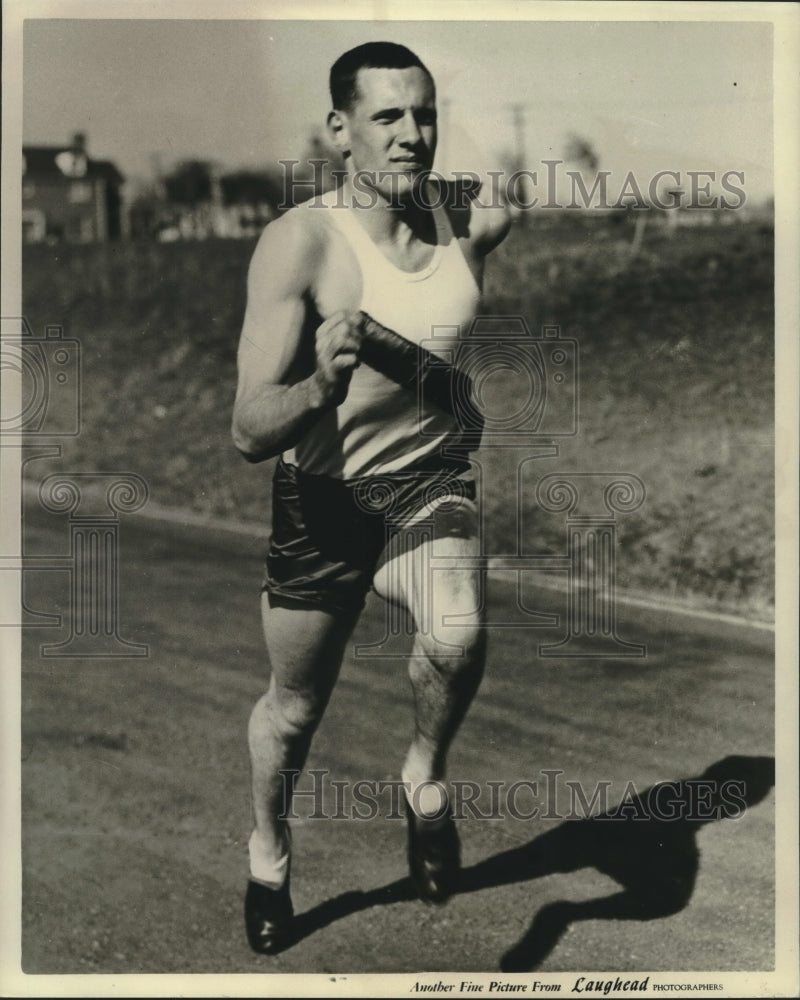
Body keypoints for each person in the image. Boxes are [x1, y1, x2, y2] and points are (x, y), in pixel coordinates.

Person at [231, 40, 511, 955]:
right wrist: (318, 387)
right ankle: (269, 851)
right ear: (339, 130)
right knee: (294, 713)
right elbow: (245, 428)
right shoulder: (302, 244)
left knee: (458, 629)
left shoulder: (470, 216)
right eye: (386, 117)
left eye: (423, 114)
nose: (411, 134)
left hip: (429, 480)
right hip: (323, 498)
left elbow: (502, 201)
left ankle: (424, 780)